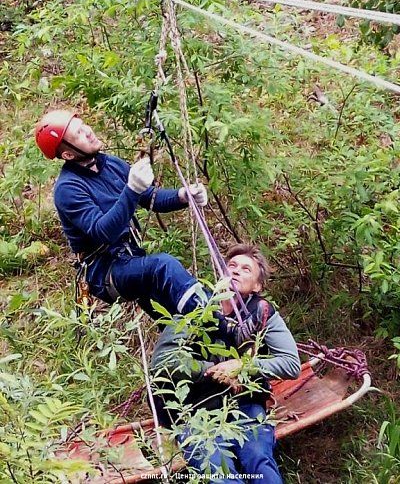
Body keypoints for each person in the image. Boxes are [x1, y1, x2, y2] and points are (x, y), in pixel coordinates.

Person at [34, 109, 212, 317]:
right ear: (68, 154)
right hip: (106, 271)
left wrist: (184, 195)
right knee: (163, 266)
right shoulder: (68, 189)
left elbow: (150, 197)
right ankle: (219, 317)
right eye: (79, 133)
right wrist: (131, 190)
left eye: (84, 125)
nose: (89, 131)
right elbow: (102, 231)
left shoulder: (110, 164)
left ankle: (219, 335)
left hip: (131, 261)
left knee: (177, 324)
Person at [151, 244, 301, 484]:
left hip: (245, 403)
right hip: (197, 409)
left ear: (257, 286)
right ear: (221, 275)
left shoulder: (260, 312)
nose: (236, 271)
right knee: (218, 470)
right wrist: (211, 370)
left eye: (246, 269)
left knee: (258, 458)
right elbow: (162, 363)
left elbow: (291, 363)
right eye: (231, 266)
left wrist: (242, 367)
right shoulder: (195, 310)